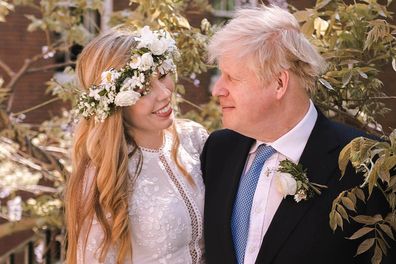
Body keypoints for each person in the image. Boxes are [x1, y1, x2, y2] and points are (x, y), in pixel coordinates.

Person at [201, 5, 393, 264]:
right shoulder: (218, 150)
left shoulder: (365, 164)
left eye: (232, 78)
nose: (218, 90)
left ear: (279, 83)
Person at [65, 26, 208, 264]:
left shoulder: (194, 137)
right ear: (113, 104)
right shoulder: (101, 177)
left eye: (162, 75)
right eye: (142, 90)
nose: (164, 93)